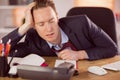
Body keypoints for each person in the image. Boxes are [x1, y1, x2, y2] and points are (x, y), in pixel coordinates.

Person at [2, 0, 118, 61]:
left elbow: (112, 49)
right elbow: (3, 52)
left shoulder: (82, 23)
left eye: (51, 20)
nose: (49, 29)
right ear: (34, 26)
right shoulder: (33, 38)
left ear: (57, 16)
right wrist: (25, 26)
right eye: (41, 24)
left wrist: (80, 54)